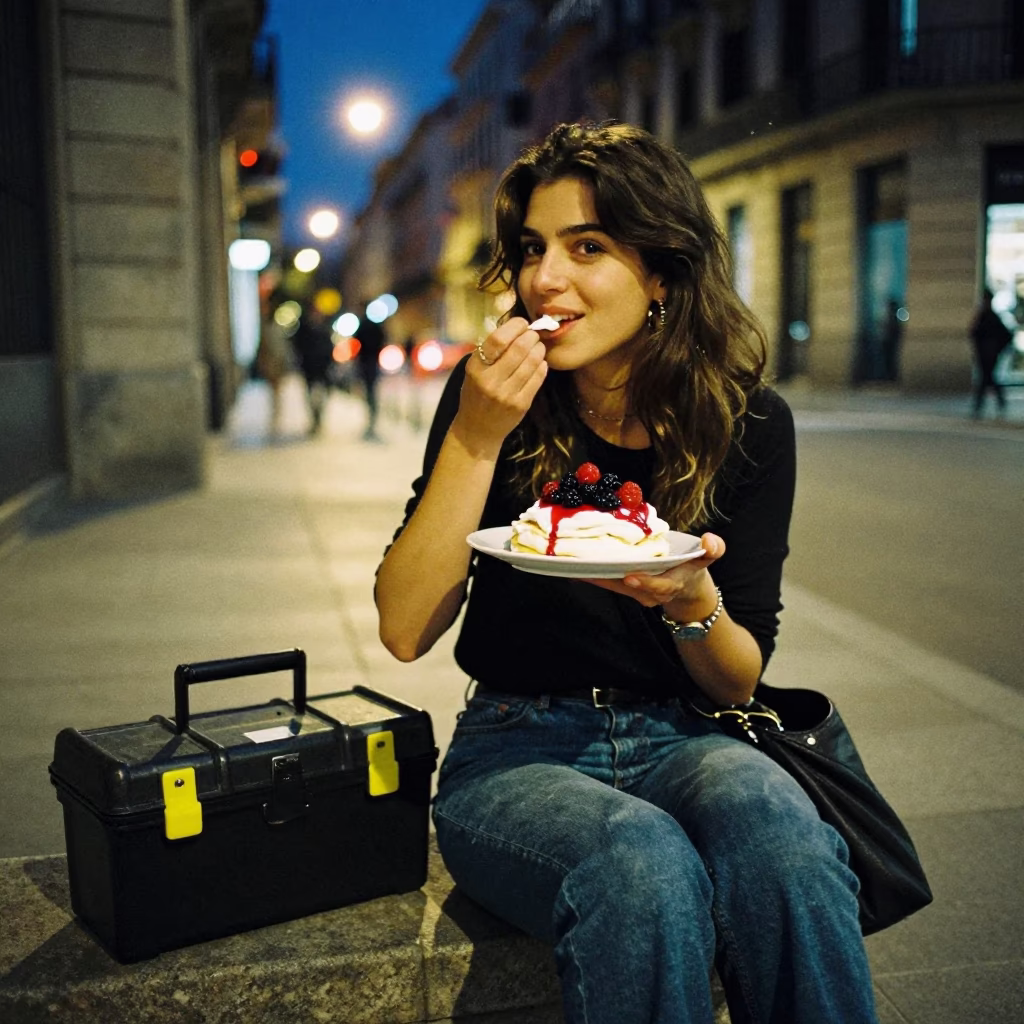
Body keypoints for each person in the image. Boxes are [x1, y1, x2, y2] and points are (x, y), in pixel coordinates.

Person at [375, 122, 878, 1024]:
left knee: (785, 839)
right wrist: (478, 434)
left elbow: (738, 674)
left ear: (661, 273)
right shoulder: (491, 397)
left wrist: (692, 601)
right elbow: (405, 627)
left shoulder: (749, 422)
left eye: (588, 247)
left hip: (688, 735)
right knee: (635, 861)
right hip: (514, 748)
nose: (543, 280)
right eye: (533, 249)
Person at [968, 288, 1013, 417]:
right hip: (986, 353)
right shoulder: (985, 316)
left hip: (989, 353)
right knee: (988, 378)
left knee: (986, 379)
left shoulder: (990, 317)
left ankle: (981, 406)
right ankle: (994, 403)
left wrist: (997, 349)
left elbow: (1005, 336)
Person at [291, 306, 335, 434]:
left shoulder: (324, 329)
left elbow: (329, 347)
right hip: (309, 367)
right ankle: (314, 418)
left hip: (322, 367)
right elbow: (297, 346)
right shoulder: (304, 329)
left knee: (322, 395)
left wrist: (329, 362)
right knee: (310, 395)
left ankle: (319, 417)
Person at [354, 305, 385, 441]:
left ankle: (371, 418)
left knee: (369, 392)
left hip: (365, 363)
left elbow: (356, 342)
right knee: (372, 391)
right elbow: (383, 340)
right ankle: (372, 418)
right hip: (373, 362)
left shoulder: (363, 325)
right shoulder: (376, 326)